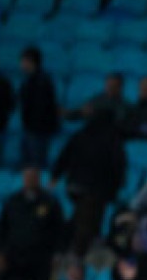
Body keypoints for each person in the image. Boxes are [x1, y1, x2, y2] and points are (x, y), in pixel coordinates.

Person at [51, 109, 128, 258]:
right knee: (87, 221)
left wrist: (56, 175)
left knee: (81, 216)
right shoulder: (112, 138)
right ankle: (77, 254)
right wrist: (117, 186)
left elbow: (65, 155)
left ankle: (67, 247)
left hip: (75, 185)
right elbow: (118, 164)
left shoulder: (81, 134)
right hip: (96, 189)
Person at [0, 167, 65, 280]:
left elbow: (59, 230)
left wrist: (58, 253)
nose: (30, 180)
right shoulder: (12, 201)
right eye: (27, 176)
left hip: (41, 258)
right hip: (15, 256)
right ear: (23, 178)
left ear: (38, 178)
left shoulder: (50, 202)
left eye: (34, 176)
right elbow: (2, 228)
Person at [17, 47, 60, 168]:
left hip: (38, 131)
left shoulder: (41, 81)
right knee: (28, 165)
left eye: (23, 61)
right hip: (31, 129)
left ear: (30, 61)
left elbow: (42, 108)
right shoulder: (30, 80)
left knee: (36, 166)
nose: (21, 64)